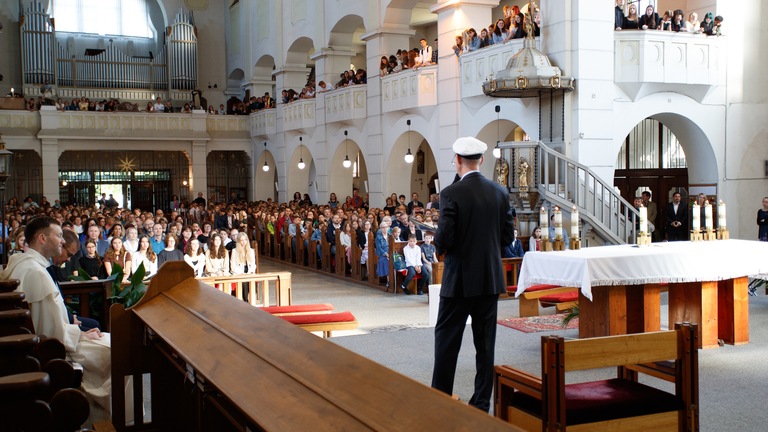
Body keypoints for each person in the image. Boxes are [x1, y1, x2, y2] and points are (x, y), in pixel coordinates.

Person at [0, 217, 114, 421]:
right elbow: (50, 333)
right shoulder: (35, 272)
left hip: (53, 341)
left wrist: (77, 332)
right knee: (115, 351)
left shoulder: (28, 265)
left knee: (111, 342)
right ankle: (106, 419)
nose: (63, 241)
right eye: (59, 235)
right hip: (50, 350)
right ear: (42, 239)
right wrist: (80, 335)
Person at [431, 137, 515, 412]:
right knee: (485, 344)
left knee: (447, 341)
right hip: (489, 278)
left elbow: (445, 236)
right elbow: (507, 237)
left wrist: (438, 245)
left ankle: (440, 399)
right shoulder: (499, 192)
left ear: (457, 160)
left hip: (459, 280)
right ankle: (480, 404)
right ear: (482, 159)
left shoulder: (451, 193)